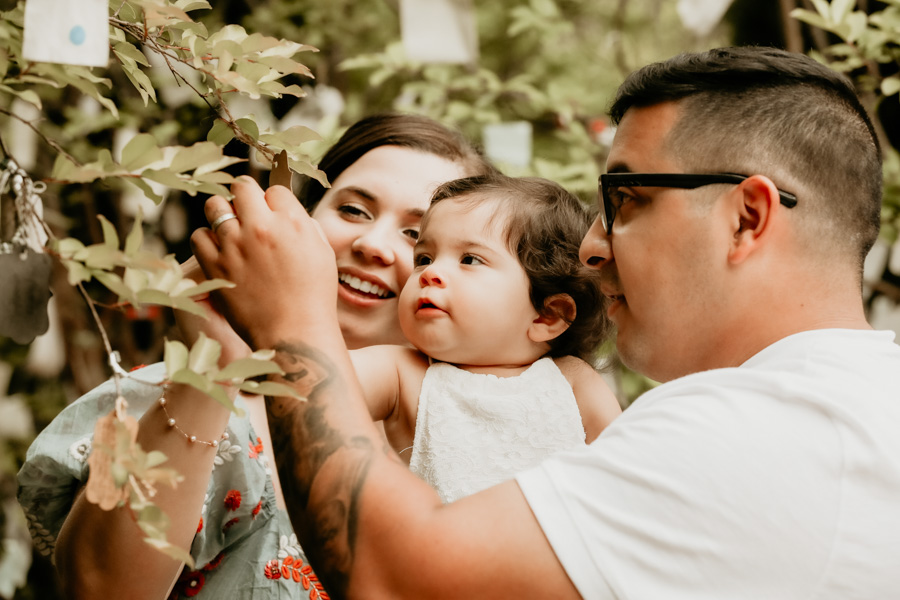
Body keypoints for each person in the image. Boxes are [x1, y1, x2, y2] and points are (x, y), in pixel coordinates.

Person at [192, 45, 900, 599]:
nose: (592, 247)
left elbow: (396, 578)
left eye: (626, 200)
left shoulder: (749, 434)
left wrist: (292, 315)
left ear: (747, 217)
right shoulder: (856, 408)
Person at [17, 113, 495, 599]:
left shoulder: (482, 452)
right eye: (353, 210)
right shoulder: (170, 399)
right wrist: (209, 373)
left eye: (417, 237)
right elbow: (97, 588)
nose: (373, 245)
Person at [350, 173, 621, 503]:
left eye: (469, 259)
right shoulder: (401, 373)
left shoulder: (573, 382)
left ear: (547, 316)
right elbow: (313, 380)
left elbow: (625, 478)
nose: (430, 273)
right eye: (424, 259)